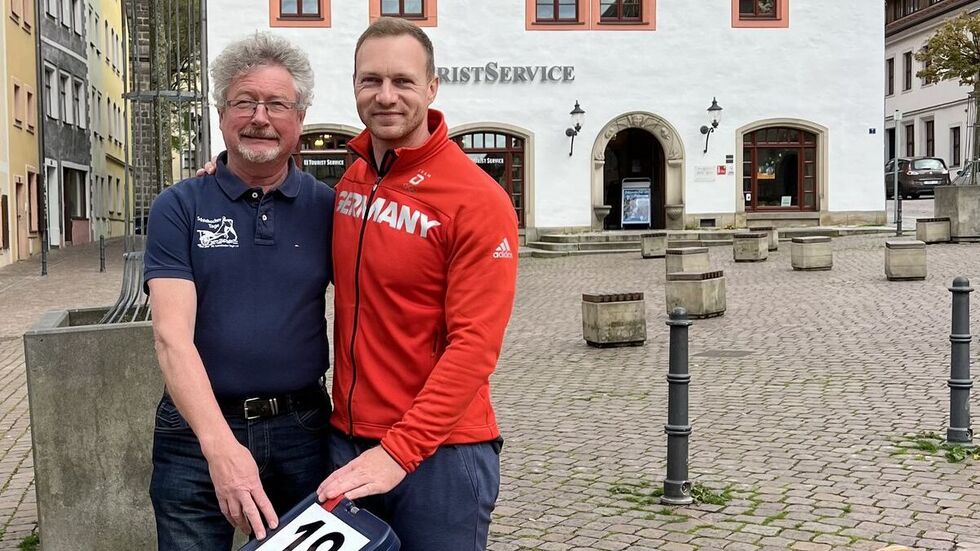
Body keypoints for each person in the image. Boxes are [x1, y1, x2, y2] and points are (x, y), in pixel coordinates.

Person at [316, 17, 519, 551]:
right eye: (371, 80)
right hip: (349, 443)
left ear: (431, 87)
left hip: (439, 455)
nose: (386, 96)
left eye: (403, 81)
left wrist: (399, 450)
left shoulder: (476, 199)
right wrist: (224, 175)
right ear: (354, 85)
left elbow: (474, 347)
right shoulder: (352, 180)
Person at [143, 32, 334, 550]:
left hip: (303, 428)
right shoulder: (178, 206)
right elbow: (170, 338)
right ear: (221, 113)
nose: (260, 117)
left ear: (301, 117)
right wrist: (219, 446)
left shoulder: (330, 209)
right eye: (244, 101)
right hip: (194, 431)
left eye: (277, 104)